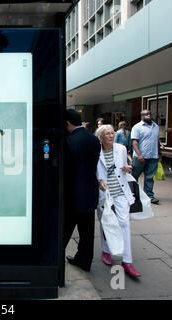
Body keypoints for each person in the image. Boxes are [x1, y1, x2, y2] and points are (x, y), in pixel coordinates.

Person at [96, 125, 141, 278]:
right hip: (105, 192)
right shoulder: (96, 150)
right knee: (106, 223)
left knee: (124, 223)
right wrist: (98, 181)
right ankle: (106, 250)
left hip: (121, 191)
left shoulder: (121, 148)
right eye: (107, 134)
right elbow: (93, 170)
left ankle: (127, 261)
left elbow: (123, 166)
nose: (111, 136)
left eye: (112, 133)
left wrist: (126, 167)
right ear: (101, 137)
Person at [64, 109, 101, 272]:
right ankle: (84, 261)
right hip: (89, 191)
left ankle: (55, 260)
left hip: (72, 193)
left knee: (64, 230)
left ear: (67, 123)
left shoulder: (68, 140)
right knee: (87, 232)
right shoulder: (93, 139)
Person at [131, 109, 161, 204]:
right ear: (141, 116)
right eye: (145, 114)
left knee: (149, 177)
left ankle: (149, 196)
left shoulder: (156, 126)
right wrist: (139, 155)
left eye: (149, 114)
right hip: (139, 157)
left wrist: (159, 153)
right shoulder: (137, 127)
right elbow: (134, 142)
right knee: (134, 176)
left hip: (153, 156)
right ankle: (132, 194)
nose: (148, 115)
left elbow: (157, 141)